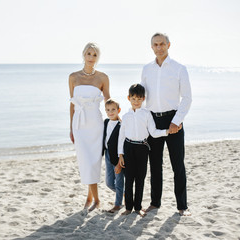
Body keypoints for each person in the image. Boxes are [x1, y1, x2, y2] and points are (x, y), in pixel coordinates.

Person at [140, 32, 192, 216]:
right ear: (151, 47)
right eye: (155, 44)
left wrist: (176, 121)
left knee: (177, 164)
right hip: (153, 121)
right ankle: (155, 203)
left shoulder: (179, 68)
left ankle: (182, 206)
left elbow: (187, 98)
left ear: (169, 45)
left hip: (173, 120)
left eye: (162, 43)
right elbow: (142, 97)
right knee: (154, 164)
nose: (159, 47)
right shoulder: (146, 69)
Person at [69, 42, 110, 211]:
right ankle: (93, 199)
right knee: (85, 161)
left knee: (94, 161)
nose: (91, 57)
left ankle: (93, 199)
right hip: (79, 124)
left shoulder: (102, 77)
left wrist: (118, 117)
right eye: (89, 54)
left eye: (94, 55)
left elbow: (108, 100)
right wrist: (70, 127)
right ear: (83, 55)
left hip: (95, 123)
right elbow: (71, 104)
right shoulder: (73, 77)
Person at [118, 84, 171, 217]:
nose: (136, 102)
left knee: (140, 179)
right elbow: (121, 136)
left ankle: (138, 208)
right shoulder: (125, 116)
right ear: (128, 98)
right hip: (128, 148)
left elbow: (153, 132)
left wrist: (167, 131)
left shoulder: (147, 114)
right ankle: (128, 207)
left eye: (139, 99)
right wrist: (120, 154)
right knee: (129, 179)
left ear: (143, 99)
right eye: (134, 98)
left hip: (142, 148)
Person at [102, 98, 124, 213]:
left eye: (113, 110)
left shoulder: (121, 125)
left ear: (118, 110)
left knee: (119, 181)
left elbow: (122, 143)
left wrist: (120, 160)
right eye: (108, 110)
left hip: (117, 157)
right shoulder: (106, 122)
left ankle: (118, 204)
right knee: (109, 182)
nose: (110, 112)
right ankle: (124, 194)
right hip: (107, 155)